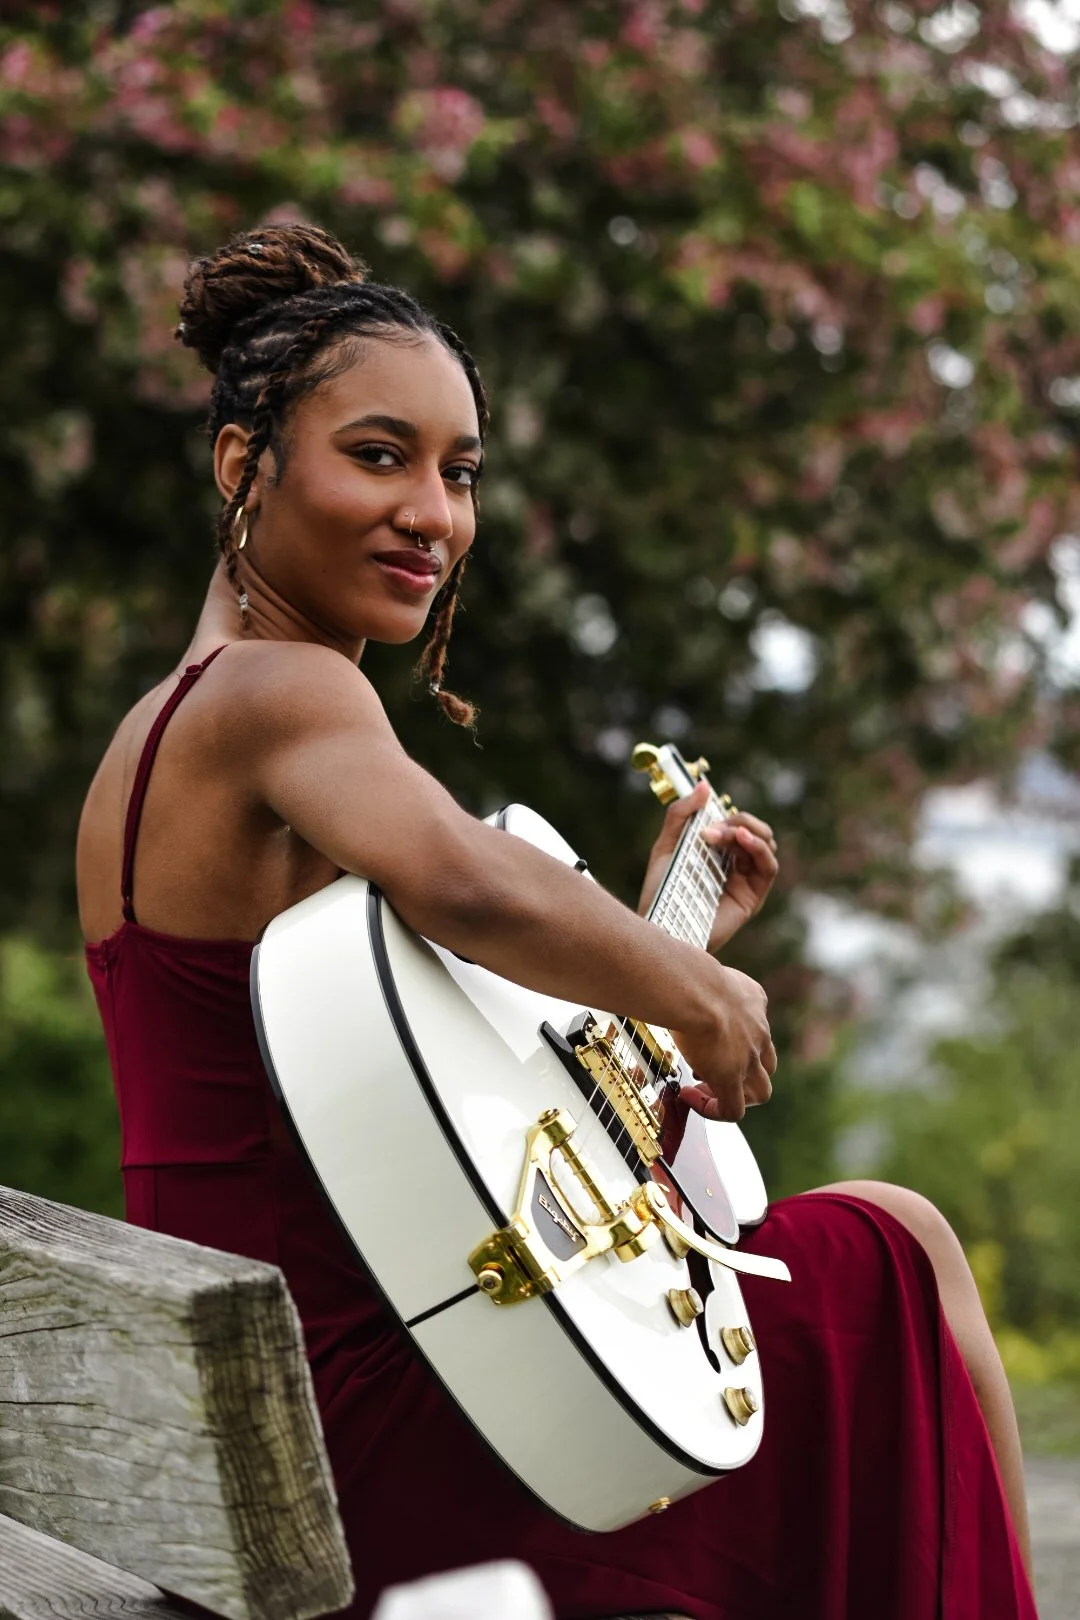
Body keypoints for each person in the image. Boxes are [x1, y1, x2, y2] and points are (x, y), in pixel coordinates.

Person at [77, 223, 1036, 1620]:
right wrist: (697, 992)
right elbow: (470, 889)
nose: (433, 514)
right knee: (895, 1248)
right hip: (371, 1426)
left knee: (871, 1250)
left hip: (296, 1407)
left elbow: (440, 1105)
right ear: (244, 469)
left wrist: (666, 938)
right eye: (379, 454)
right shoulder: (279, 692)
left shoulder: (176, 730)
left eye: (458, 474)